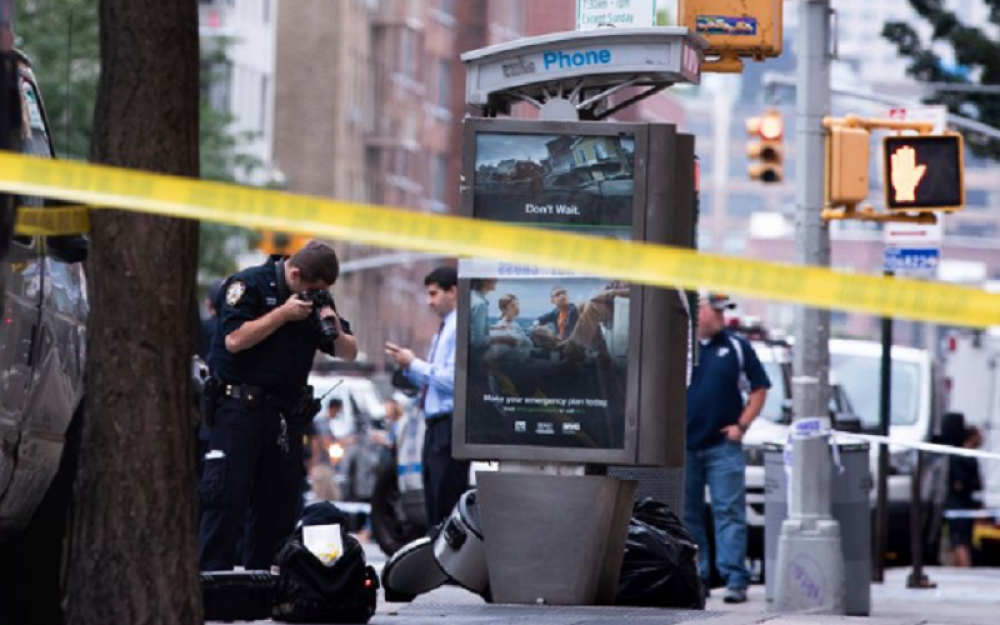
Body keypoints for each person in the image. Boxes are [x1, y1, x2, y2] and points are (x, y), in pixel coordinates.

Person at [199, 241, 358, 571]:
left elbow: (349, 352)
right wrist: (282, 315)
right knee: (225, 502)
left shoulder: (315, 299)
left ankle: (268, 588)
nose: (315, 296)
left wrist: (333, 325)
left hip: (285, 418)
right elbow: (234, 340)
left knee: (277, 509)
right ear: (296, 273)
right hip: (239, 412)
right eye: (313, 289)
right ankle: (213, 591)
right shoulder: (249, 285)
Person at [684, 292, 770, 604]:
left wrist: (742, 426)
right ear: (698, 310)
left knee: (729, 513)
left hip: (723, 445)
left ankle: (735, 579)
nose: (721, 315)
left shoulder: (735, 347)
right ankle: (698, 576)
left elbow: (760, 388)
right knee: (688, 516)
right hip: (684, 447)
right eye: (715, 309)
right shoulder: (681, 345)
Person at [385, 266, 470, 528]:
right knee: (434, 503)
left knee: (445, 506)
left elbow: (453, 380)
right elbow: (433, 380)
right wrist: (406, 366)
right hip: (435, 427)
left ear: (453, 292)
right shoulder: (443, 331)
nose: (429, 301)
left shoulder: (459, 328)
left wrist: (413, 364)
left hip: (450, 425)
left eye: (434, 294)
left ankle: (449, 566)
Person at [941, 412, 983, 568]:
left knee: (960, 540)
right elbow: (962, 482)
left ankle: (962, 567)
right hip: (959, 503)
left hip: (962, 503)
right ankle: (963, 567)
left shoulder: (964, 456)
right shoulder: (961, 456)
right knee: (960, 541)